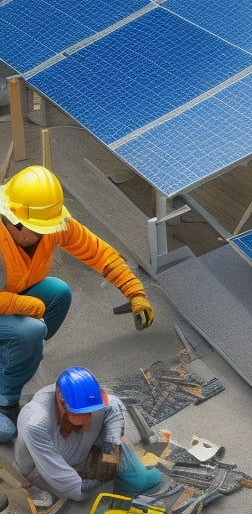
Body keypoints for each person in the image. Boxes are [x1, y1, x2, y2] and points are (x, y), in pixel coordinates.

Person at [0, 165, 154, 442]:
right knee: (31, 331)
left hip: (10, 302)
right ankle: (5, 401)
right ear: (14, 221)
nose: (47, 234)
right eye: (40, 229)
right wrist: (25, 307)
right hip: (7, 305)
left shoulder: (47, 226)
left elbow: (98, 252)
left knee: (58, 291)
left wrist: (134, 291)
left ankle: (16, 357)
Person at [14, 366, 162, 502]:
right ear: (60, 398)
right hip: (46, 470)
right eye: (80, 413)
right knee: (92, 503)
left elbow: (114, 407)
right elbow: (59, 476)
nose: (87, 419)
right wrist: (87, 486)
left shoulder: (91, 400)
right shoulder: (35, 423)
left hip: (86, 452)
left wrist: (110, 448)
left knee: (142, 483)